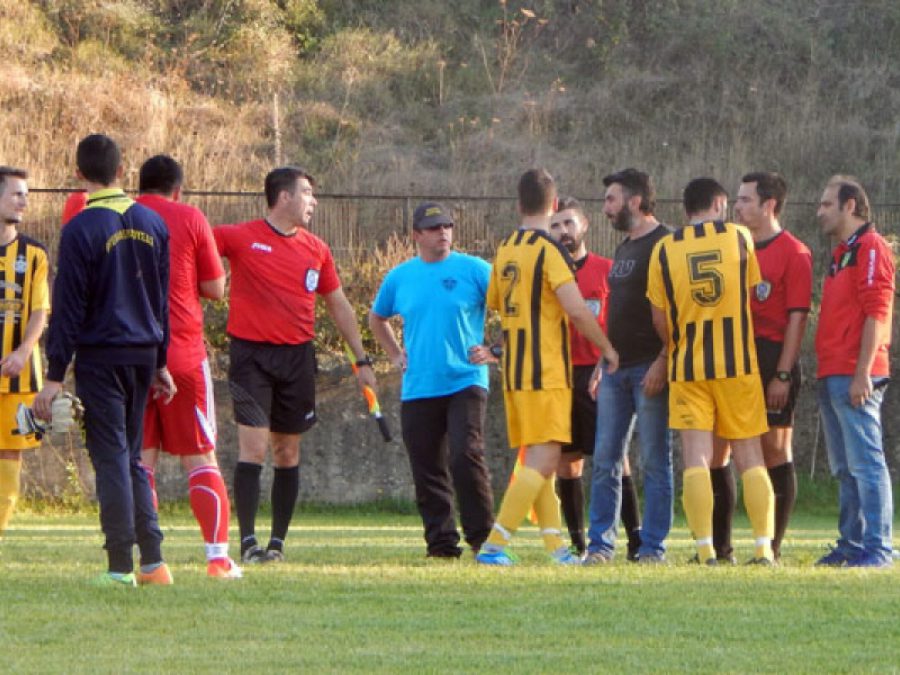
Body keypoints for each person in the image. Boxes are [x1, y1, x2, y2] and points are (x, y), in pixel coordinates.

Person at [214, 165, 377, 564]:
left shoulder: (317, 249)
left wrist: (362, 359)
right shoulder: (240, 236)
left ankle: (277, 544)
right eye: (307, 192)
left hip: (298, 359)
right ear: (283, 196)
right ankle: (248, 543)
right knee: (252, 449)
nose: (313, 201)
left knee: (287, 452)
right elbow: (192, 245)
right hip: (251, 356)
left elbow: (337, 304)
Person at [34, 134, 176, 587]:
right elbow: (161, 301)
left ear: (78, 176)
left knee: (112, 457)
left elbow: (69, 307)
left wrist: (55, 376)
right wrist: (161, 363)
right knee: (133, 456)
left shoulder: (79, 229)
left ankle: (119, 567)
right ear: (121, 171)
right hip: (142, 355)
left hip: (101, 357)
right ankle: (153, 563)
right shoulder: (153, 223)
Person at [471, 168, 618, 566]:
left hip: (515, 372)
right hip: (546, 370)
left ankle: (557, 549)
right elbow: (576, 310)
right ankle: (494, 544)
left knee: (544, 464)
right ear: (554, 206)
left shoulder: (505, 249)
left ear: (519, 205)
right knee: (542, 460)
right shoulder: (551, 251)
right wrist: (607, 349)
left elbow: (497, 304)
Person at [647, 177, 775, 565]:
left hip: (688, 365)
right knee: (749, 455)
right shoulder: (739, 237)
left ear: (685, 209)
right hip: (737, 363)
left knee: (696, 458)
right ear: (719, 204)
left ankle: (704, 550)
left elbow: (658, 317)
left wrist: (675, 348)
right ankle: (763, 549)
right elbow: (751, 294)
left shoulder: (665, 248)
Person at [369, 201, 494, 558]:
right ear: (417, 235)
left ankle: (483, 539)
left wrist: (494, 349)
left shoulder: (474, 270)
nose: (443, 233)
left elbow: (516, 305)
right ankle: (440, 543)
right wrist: (395, 354)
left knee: (465, 455)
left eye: (447, 227)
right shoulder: (401, 276)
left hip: (466, 379)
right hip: (420, 385)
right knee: (426, 464)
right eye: (434, 227)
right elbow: (377, 318)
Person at [136, 154, 240, 579]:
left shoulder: (120, 216)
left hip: (129, 354)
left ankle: (148, 560)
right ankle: (217, 558)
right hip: (180, 352)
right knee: (200, 458)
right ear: (177, 189)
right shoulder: (190, 216)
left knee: (141, 463)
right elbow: (215, 288)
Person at [710, 172, 812, 563]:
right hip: (733, 357)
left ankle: (770, 547)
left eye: (745, 200)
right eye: (736, 200)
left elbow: (796, 319)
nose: (737, 207)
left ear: (769, 205)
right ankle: (721, 550)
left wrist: (782, 374)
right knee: (720, 450)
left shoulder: (795, 252)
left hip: (772, 357)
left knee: (773, 449)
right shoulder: (732, 247)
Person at [584, 169, 674, 565]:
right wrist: (604, 359)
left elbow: (676, 311)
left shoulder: (667, 243)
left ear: (635, 201)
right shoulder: (623, 249)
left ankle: (653, 547)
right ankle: (601, 546)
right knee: (605, 459)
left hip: (651, 370)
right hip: (616, 370)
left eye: (611, 200)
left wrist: (664, 360)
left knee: (655, 461)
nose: (605, 208)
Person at [814, 175, 894, 568]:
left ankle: (877, 548)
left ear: (850, 206)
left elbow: (877, 312)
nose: (820, 212)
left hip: (855, 372)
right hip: (833, 370)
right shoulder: (842, 252)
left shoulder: (871, 248)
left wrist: (863, 371)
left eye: (827, 204)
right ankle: (851, 543)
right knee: (845, 467)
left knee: (866, 462)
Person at [546, 196, 616, 557]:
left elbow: (618, 323)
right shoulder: (547, 273)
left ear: (584, 225)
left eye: (568, 224)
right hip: (559, 375)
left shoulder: (607, 269)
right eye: (555, 226)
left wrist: (608, 362)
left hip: (598, 373)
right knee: (567, 461)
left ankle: (633, 541)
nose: (562, 232)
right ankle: (578, 542)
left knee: (612, 458)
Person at [0, 167, 49, 540]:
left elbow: (39, 310)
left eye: (26, 195)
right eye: (16, 193)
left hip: (19, 377)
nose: (23, 201)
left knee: (10, 454)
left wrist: (23, 350)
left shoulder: (34, 254)